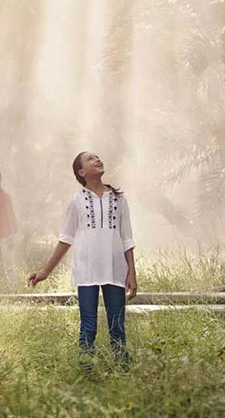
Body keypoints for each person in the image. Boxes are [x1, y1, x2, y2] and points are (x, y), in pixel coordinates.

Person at [28, 151, 137, 369]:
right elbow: (65, 239)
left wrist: (131, 272)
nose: (97, 160)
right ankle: (85, 370)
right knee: (88, 326)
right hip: (86, 271)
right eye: (90, 159)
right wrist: (45, 272)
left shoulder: (118, 198)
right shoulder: (77, 201)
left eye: (98, 157)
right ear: (81, 172)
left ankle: (123, 370)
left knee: (117, 325)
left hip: (115, 269)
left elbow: (127, 238)